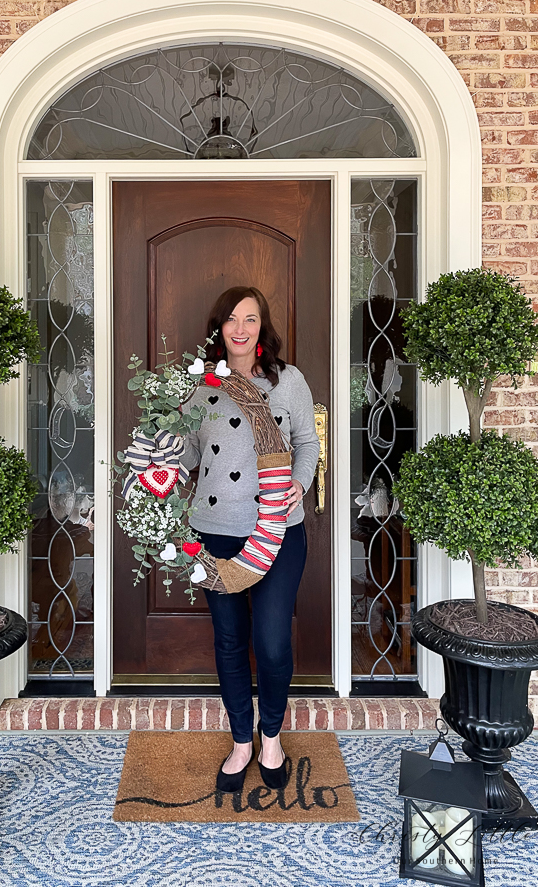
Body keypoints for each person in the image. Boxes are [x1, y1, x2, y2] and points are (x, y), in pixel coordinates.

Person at [181, 286, 319, 792]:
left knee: (272, 643)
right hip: (215, 532)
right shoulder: (200, 387)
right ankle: (242, 740)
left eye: (251, 319)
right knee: (230, 640)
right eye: (232, 319)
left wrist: (299, 482)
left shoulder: (288, 381)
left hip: (277, 530)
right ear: (218, 327)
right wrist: (157, 460)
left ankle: (271, 736)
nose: (240, 329)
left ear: (263, 327)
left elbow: (307, 442)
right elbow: (187, 456)